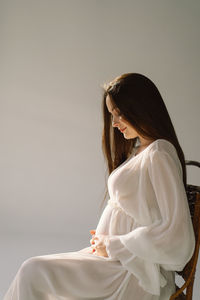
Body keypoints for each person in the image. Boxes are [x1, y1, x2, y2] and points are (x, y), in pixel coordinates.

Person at [3, 73, 195, 300]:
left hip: (133, 274)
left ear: (141, 108)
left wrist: (114, 244)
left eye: (119, 114)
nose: (114, 123)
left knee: (33, 271)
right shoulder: (140, 151)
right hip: (116, 262)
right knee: (33, 272)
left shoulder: (159, 152)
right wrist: (109, 239)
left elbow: (179, 237)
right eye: (112, 115)